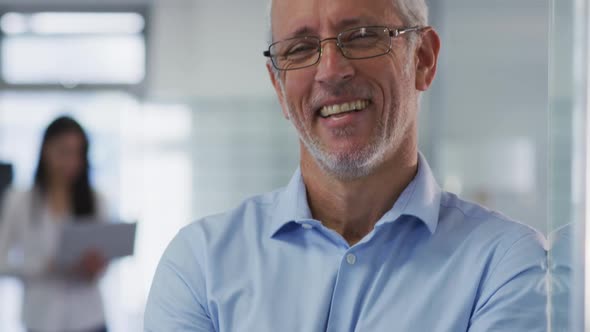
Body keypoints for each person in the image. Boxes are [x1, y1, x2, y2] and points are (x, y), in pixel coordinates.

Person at [144, 0, 547, 331]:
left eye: (363, 37)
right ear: (279, 87)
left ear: (423, 59)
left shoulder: (506, 264)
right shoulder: (200, 265)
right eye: (300, 49)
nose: (331, 71)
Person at [0, 116, 109, 332]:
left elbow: (104, 254)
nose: (71, 162)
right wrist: (42, 266)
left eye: (78, 154)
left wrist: (96, 267)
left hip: (89, 318)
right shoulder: (19, 201)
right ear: (45, 150)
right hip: (41, 319)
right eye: (64, 152)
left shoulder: (96, 200)